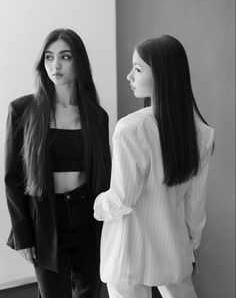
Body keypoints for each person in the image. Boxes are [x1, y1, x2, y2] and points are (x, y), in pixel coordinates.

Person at [94, 35, 214, 298]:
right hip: (174, 250)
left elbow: (123, 198)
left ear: (162, 75)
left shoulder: (130, 128)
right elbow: (195, 208)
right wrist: (191, 245)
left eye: (137, 69)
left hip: (128, 252)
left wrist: (97, 206)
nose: (129, 76)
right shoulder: (203, 134)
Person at [4, 28, 111, 298]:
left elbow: (104, 178)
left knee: (89, 293)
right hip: (46, 220)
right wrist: (23, 236)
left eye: (65, 57)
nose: (56, 65)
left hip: (88, 217)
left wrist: (110, 230)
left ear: (79, 63)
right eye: (49, 58)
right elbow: (12, 178)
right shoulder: (22, 111)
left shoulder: (96, 116)